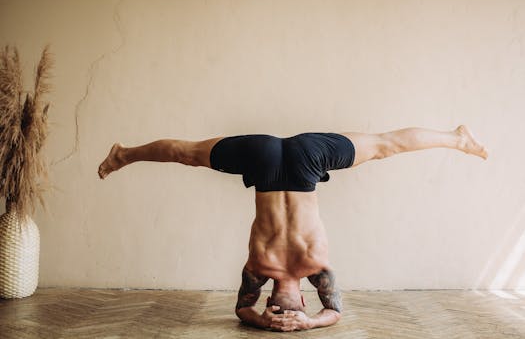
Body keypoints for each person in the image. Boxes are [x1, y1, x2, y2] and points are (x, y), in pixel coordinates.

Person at [98, 125, 487, 331]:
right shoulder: (258, 268)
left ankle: (456, 139)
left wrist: (310, 322)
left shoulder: (317, 270)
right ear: (276, 298)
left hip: (306, 161)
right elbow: (242, 309)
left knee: (385, 145)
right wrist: (268, 320)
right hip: (264, 161)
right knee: (188, 154)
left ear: (303, 297)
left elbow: (332, 312)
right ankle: (124, 155)